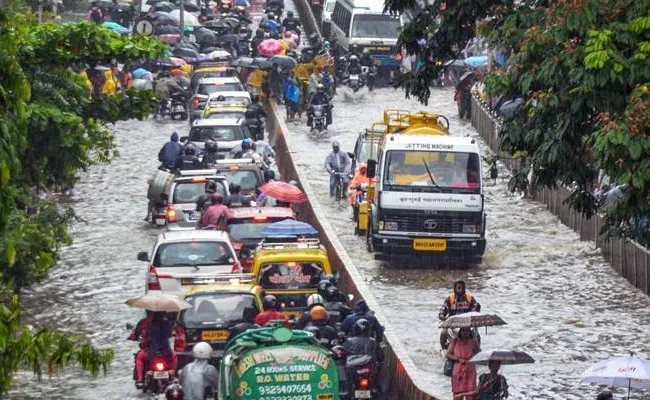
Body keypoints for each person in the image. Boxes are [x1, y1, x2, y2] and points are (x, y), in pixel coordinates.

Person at [135, 311, 178, 388]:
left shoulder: (150, 325)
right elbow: (170, 334)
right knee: (174, 356)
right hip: (166, 352)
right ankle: (172, 377)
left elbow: (146, 338)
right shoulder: (168, 324)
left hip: (152, 352)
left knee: (139, 357)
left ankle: (140, 379)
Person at [439, 279, 481, 349]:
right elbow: (443, 309)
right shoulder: (450, 299)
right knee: (443, 333)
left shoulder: (470, 299)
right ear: (455, 289)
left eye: (463, 288)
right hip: (453, 324)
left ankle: (477, 349)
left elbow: (475, 310)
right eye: (459, 288)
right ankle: (444, 348)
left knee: (477, 336)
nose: (461, 290)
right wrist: (442, 316)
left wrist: (477, 307)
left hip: (467, 323)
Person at [446, 327, 479, 398]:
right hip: (458, 370)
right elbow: (448, 354)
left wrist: (477, 348)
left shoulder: (473, 341)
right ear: (460, 332)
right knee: (457, 394)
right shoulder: (454, 341)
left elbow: (479, 354)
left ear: (470, 332)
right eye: (463, 330)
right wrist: (458, 359)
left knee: (471, 393)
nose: (465, 333)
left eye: (467, 331)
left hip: (470, 370)